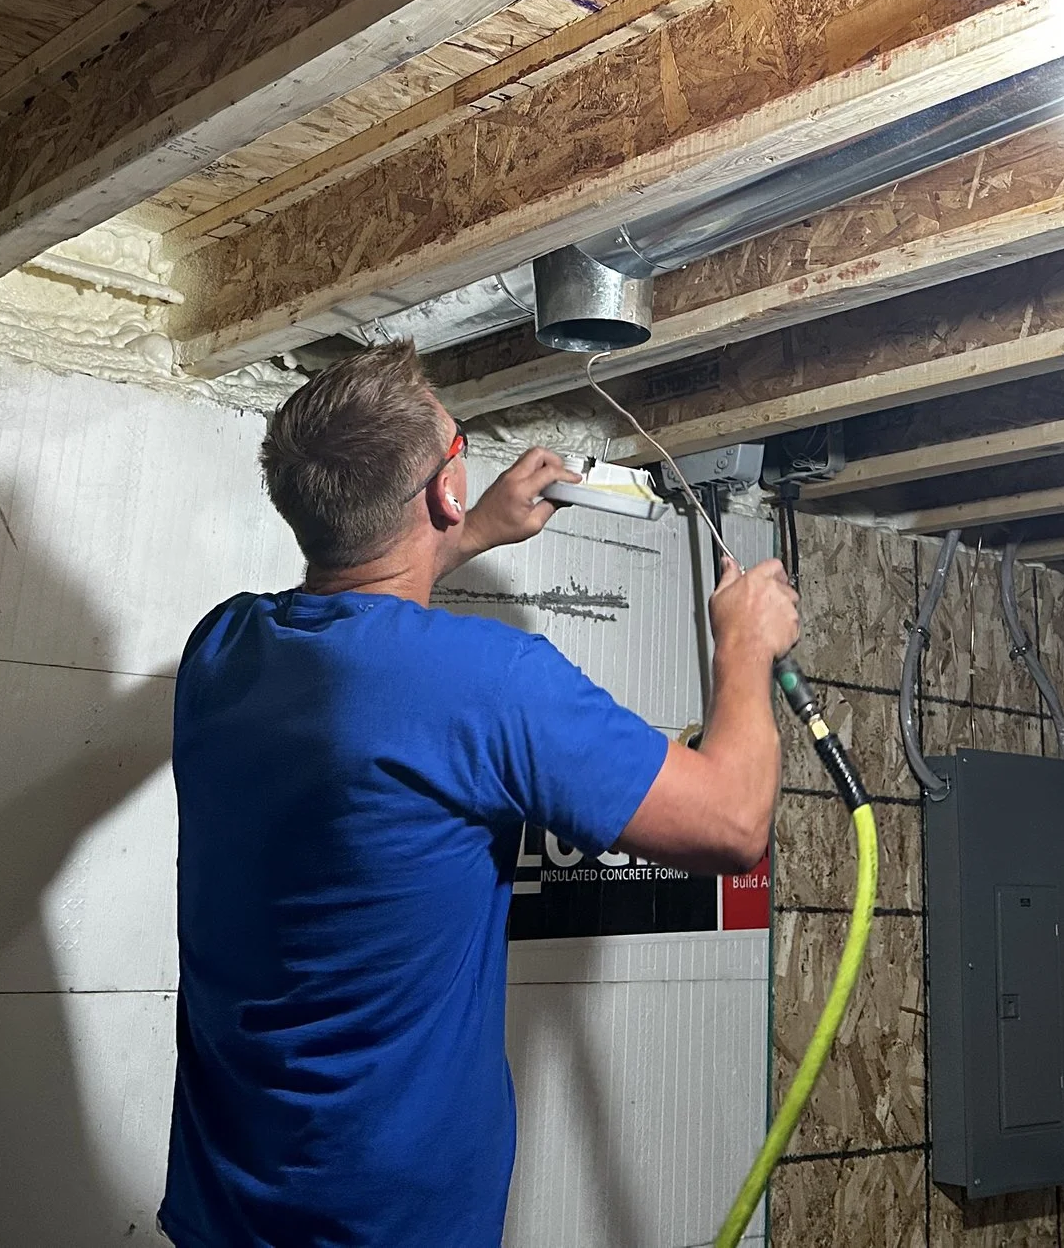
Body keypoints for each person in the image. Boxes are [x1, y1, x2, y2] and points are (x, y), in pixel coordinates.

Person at [160, 341, 799, 1248]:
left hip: (224, 1209)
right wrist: (744, 645)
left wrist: (460, 535)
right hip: (390, 1227)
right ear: (442, 487)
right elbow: (734, 821)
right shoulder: (488, 681)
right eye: (455, 447)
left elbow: (365, 621)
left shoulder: (221, 651)